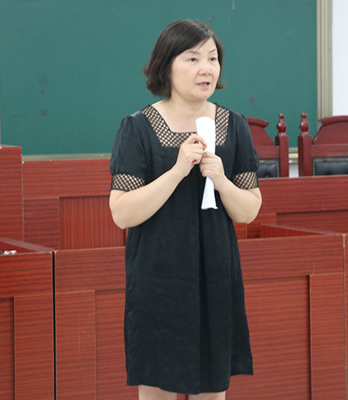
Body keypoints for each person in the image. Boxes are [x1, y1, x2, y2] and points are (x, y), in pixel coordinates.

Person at [109, 19, 262, 400]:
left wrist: (222, 180)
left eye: (212, 58)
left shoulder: (235, 126)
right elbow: (122, 213)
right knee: (157, 387)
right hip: (158, 278)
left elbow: (248, 210)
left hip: (216, 275)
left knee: (212, 389)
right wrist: (177, 171)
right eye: (192, 59)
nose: (206, 68)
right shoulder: (138, 128)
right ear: (167, 66)